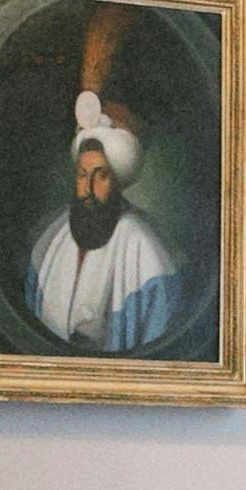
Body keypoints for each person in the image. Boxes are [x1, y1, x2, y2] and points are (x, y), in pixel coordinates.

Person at [25, 95, 180, 352]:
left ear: (117, 180)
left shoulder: (143, 246)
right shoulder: (53, 238)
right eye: (83, 175)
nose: (87, 189)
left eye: (101, 176)